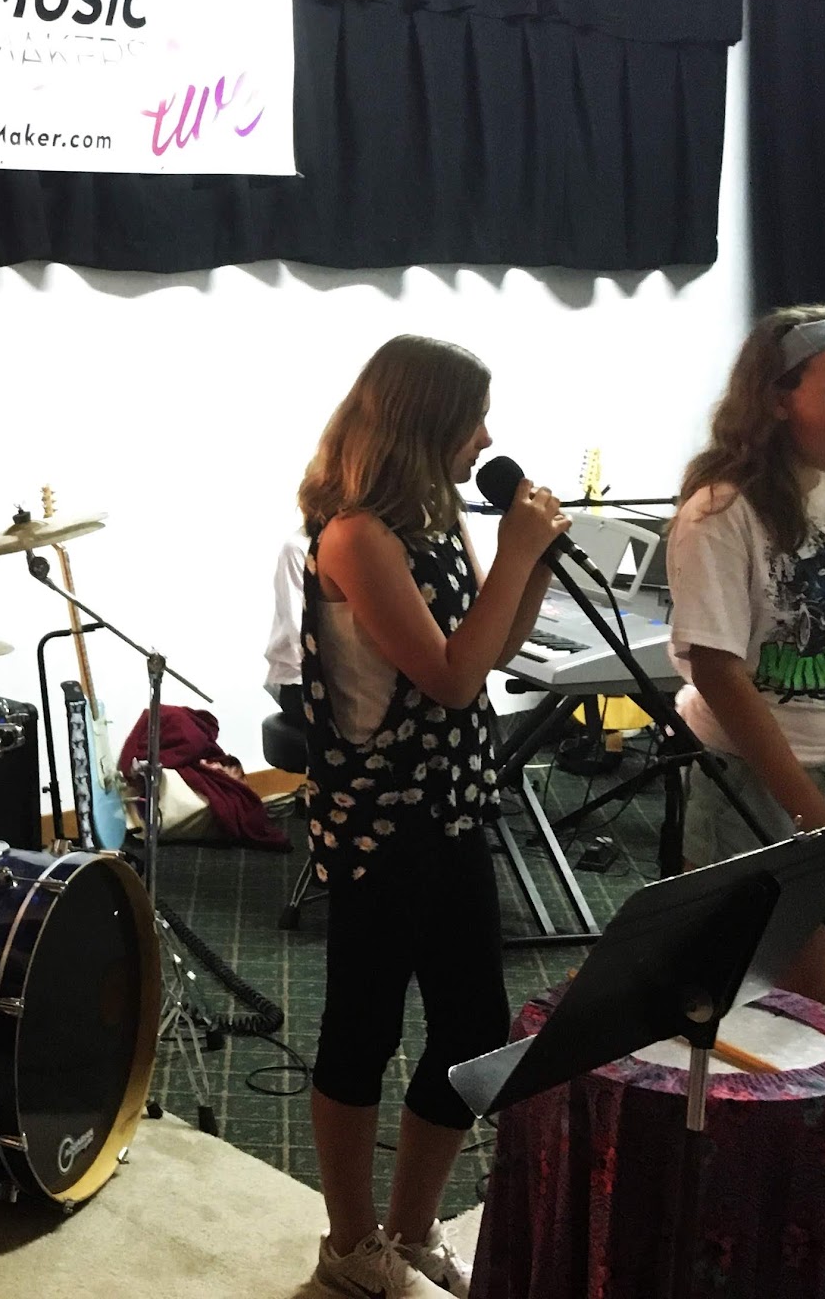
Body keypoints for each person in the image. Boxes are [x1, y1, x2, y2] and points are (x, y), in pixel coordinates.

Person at [271, 335, 566, 1299]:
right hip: (380, 821)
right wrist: (515, 550)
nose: (485, 437)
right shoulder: (355, 537)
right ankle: (349, 1244)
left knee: (473, 1027)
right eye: (472, 419)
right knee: (363, 1026)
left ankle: (410, 1227)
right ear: (424, 422)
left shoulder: (435, 524)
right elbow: (448, 678)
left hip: (453, 805)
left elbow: (492, 648)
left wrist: (532, 564)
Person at [667, 306, 825, 1004]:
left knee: (811, 996)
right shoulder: (720, 510)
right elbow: (718, 672)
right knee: (725, 999)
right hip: (747, 774)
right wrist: (808, 812)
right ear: (777, 400)